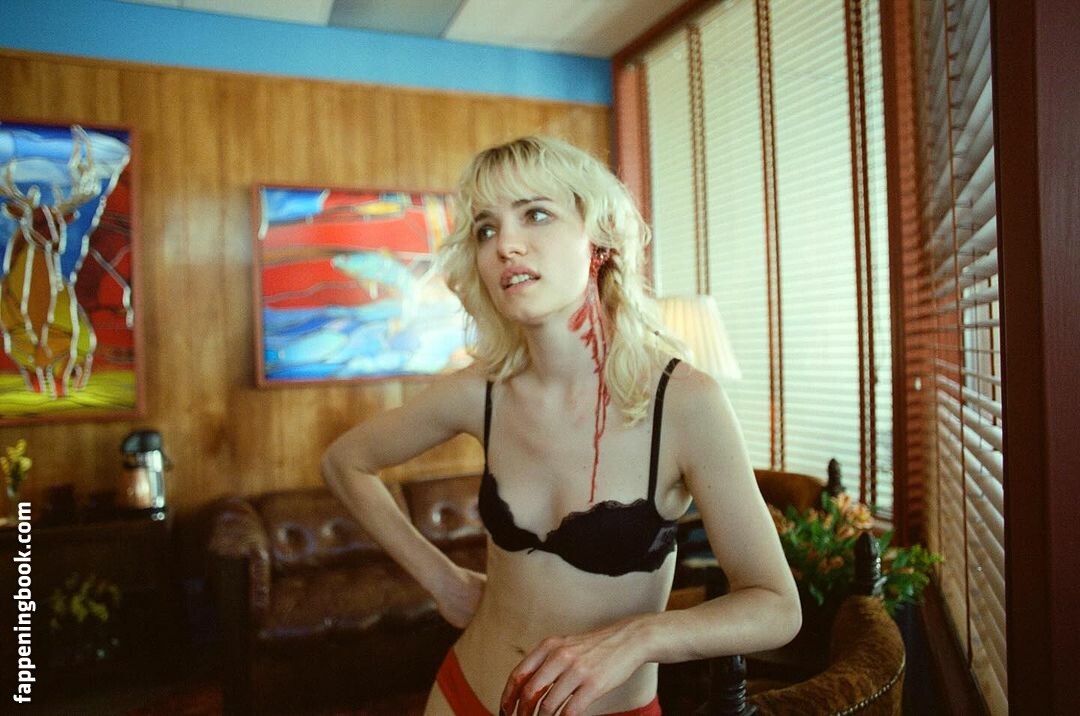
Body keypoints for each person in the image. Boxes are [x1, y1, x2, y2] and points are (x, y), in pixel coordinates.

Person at [322, 136, 801, 716]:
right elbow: (344, 462)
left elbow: (776, 606)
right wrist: (443, 580)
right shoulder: (481, 391)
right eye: (486, 229)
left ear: (599, 239)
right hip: (462, 695)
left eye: (536, 214)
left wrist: (638, 638)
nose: (506, 244)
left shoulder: (682, 403)